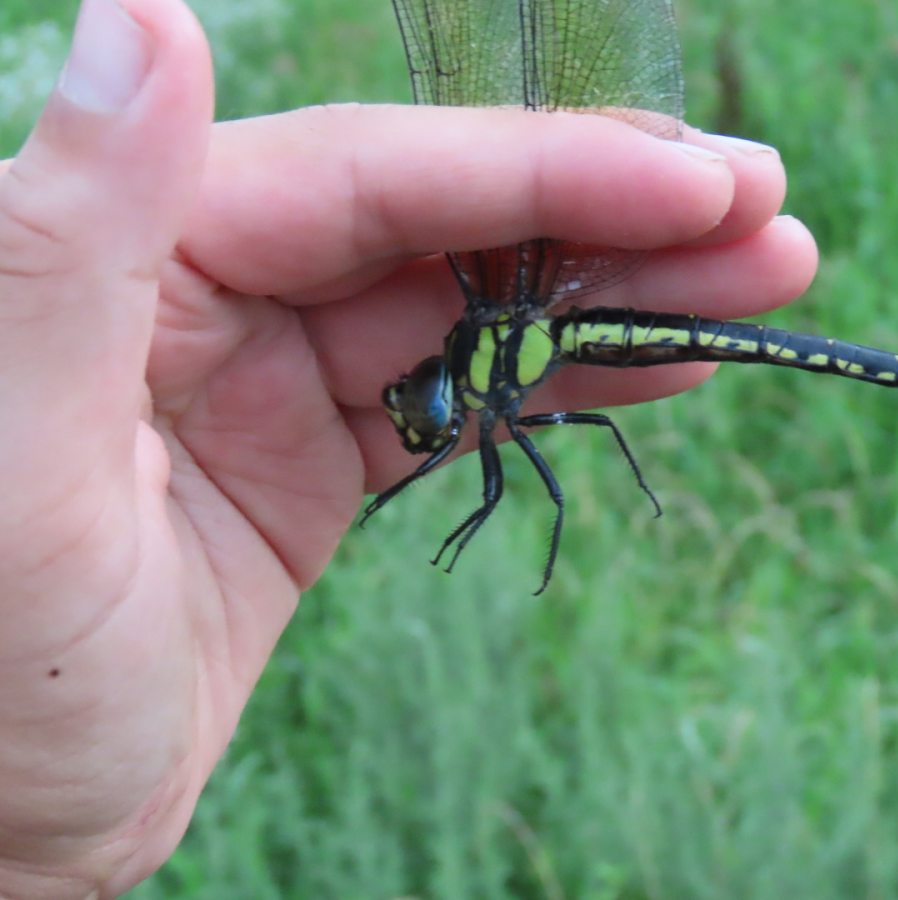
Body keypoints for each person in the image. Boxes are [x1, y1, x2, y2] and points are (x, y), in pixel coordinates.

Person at [0, 0, 816, 894]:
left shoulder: (486, 368)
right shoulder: (490, 370)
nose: (416, 420)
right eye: (420, 407)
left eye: (418, 406)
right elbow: (512, 468)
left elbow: (511, 485)